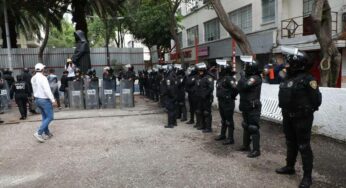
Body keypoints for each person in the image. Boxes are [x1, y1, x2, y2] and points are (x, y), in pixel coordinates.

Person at [275, 47, 322, 188]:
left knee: (303, 145)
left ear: (297, 63)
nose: (286, 64)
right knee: (290, 142)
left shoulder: (308, 79)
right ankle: (290, 167)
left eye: (289, 62)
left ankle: (307, 177)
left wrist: (306, 112)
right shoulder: (288, 77)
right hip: (287, 116)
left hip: (302, 118)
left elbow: (316, 101)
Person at [237, 56, 262, 158]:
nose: (245, 68)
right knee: (246, 125)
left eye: (247, 66)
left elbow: (245, 86)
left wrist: (242, 78)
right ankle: (246, 145)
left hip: (253, 107)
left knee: (253, 127)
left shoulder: (255, 78)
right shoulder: (247, 78)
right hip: (246, 105)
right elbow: (239, 87)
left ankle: (256, 150)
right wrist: (243, 79)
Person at [214, 62, 238, 145]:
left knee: (229, 120)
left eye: (221, 68)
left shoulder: (229, 78)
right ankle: (223, 135)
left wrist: (231, 96)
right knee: (223, 120)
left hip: (228, 102)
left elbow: (235, 89)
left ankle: (230, 138)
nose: (219, 70)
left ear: (225, 69)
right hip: (221, 101)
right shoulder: (221, 79)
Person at [31, 63, 56, 143]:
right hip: (44, 100)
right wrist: (53, 100)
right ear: (42, 69)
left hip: (37, 99)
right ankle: (39, 132)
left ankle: (47, 133)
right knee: (50, 117)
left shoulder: (33, 78)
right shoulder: (43, 78)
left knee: (45, 117)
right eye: (44, 68)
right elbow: (47, 90)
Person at [194, 62, 214, 133]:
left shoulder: (208, 77)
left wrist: (205, 95)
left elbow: (211, 88)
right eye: (199, 71)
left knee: (207, 113)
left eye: (201, 70)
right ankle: (203, 126)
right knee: (201, 112)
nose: (200, 72)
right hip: (200, 98)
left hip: (207, 98)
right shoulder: (200, 77)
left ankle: (208, 128)